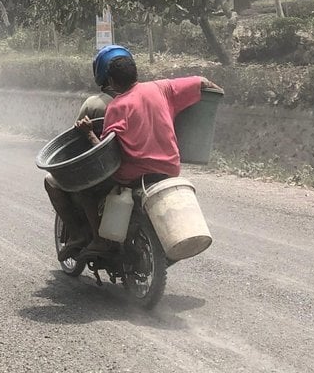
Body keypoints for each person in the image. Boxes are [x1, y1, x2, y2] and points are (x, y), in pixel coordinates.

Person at [73, 52, 222, 259]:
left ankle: (100, 241)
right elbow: (202, 82)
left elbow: (105, 152)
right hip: (169, 169)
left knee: (85, 190)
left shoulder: (116, 106)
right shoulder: (161, 88)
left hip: (133, 175)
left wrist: (89, 133)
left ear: (112, 81)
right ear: (136, 73)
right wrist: (217, 96)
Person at [45, 45, 133, 261]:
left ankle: (79, 235)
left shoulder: (94, 104)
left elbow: (75, 138)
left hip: (110, 170)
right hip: (140, 166)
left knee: (57, 181)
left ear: (102, 74)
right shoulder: (143, 99)